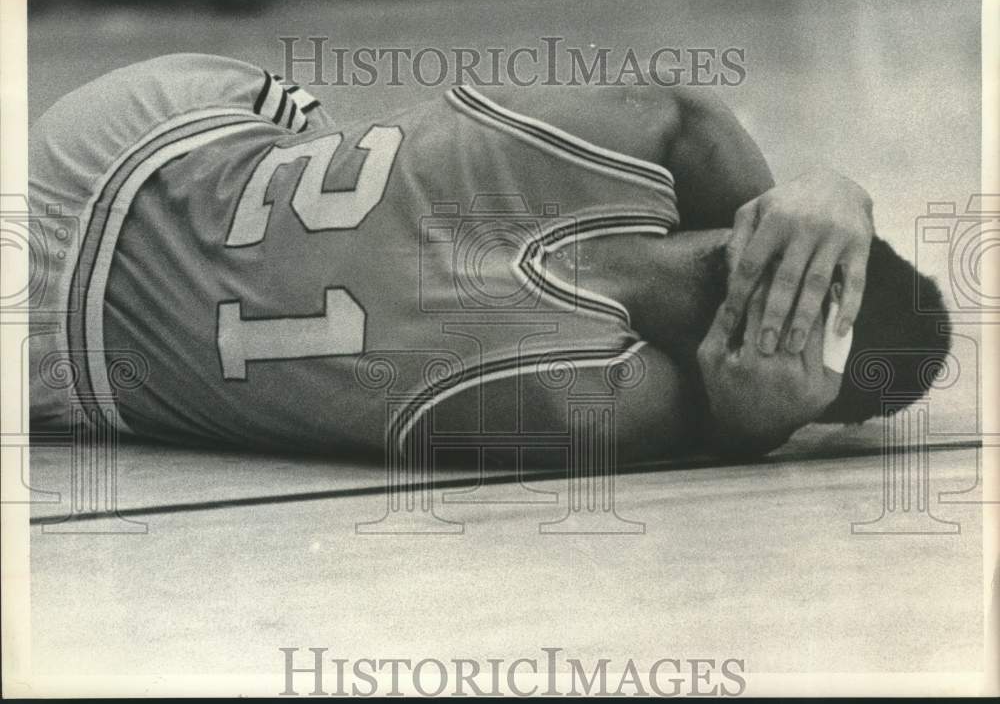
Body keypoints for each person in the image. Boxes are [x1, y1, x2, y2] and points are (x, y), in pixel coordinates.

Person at [28, 54, 950, 462]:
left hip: (144, 142)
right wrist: (747, 432)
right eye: (809, 273)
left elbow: (716, 147)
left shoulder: (657, 136)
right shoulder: (625, 406)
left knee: (336, 167)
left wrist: (826, 188)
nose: (775, 292)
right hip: (91, 301)